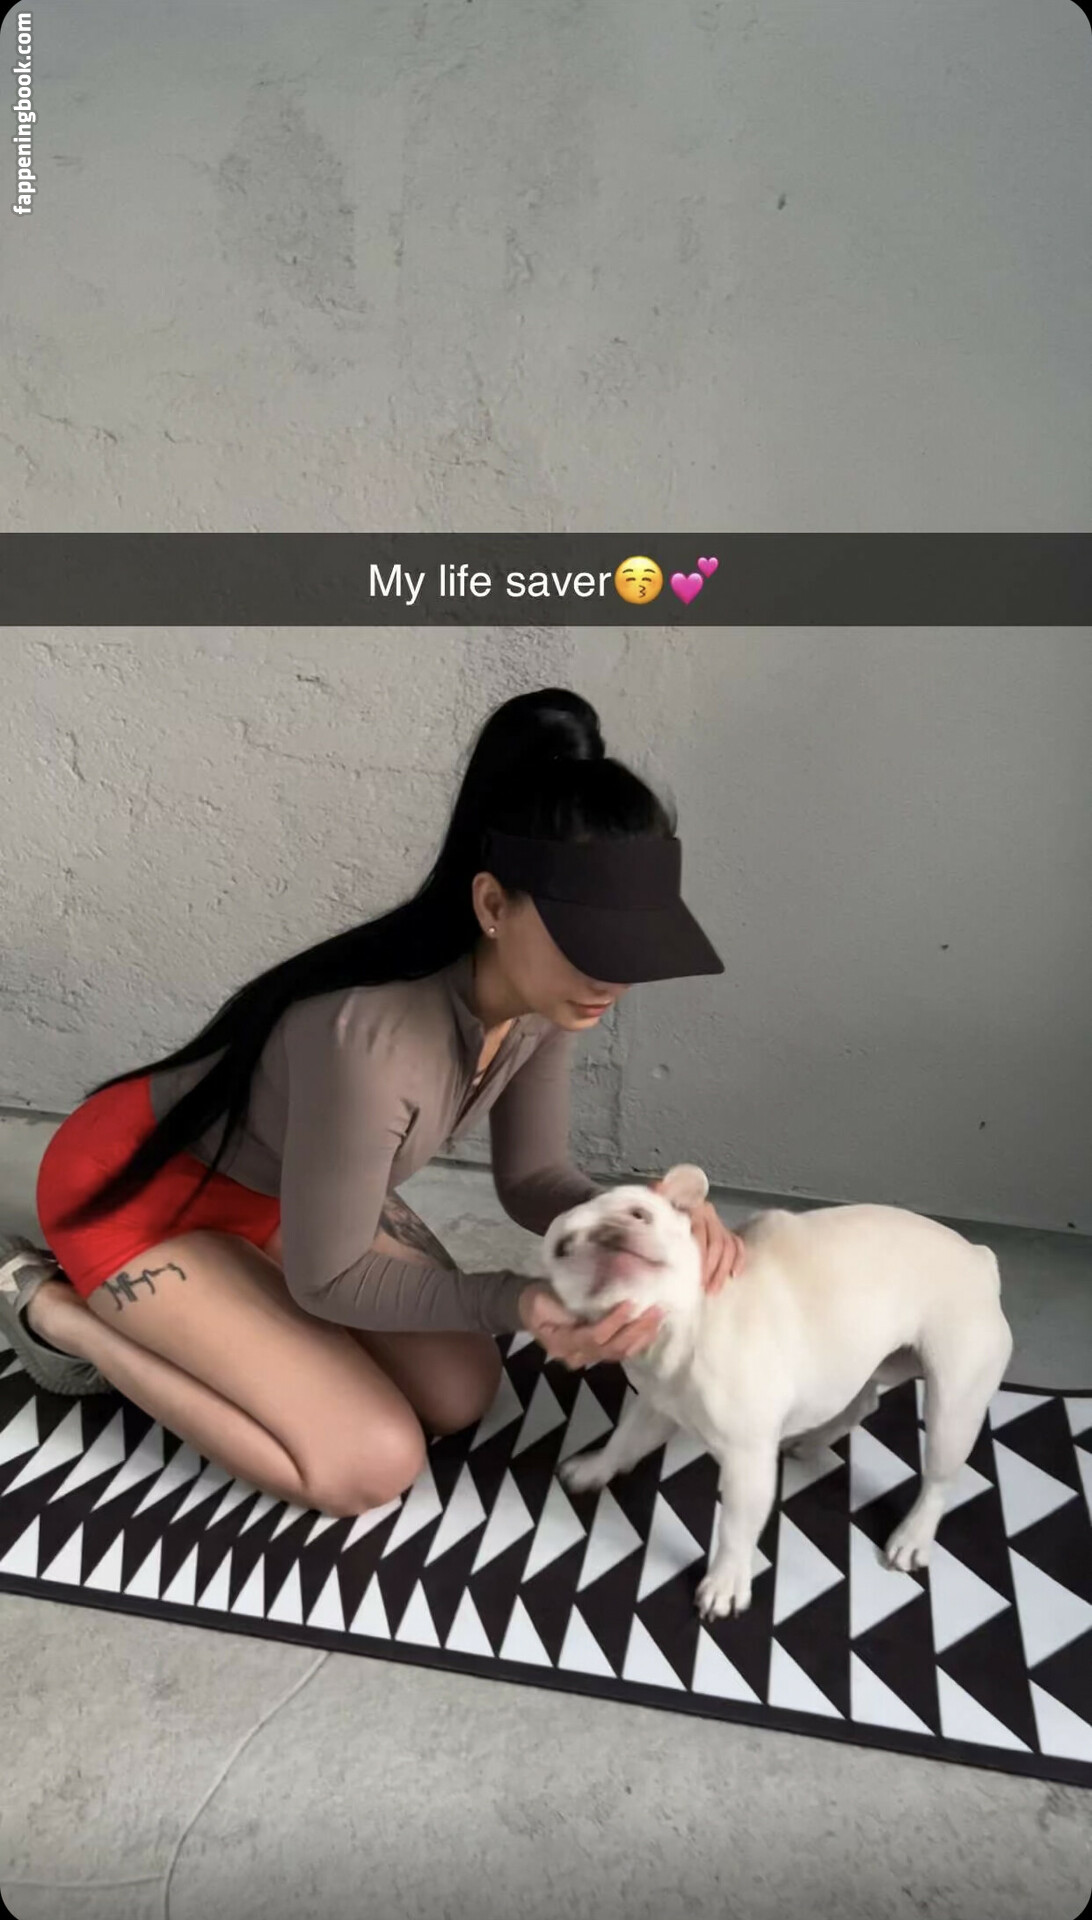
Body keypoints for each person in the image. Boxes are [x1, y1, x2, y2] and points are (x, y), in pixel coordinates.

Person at [0, 689, 743, 1519]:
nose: (613, 977)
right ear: (492, 906)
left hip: (282, 1190)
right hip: (132, 1195)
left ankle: (232, 1297)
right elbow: (330, 1279)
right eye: (590, 943)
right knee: (369, 1464)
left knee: (462, 1394)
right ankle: (58, 1314)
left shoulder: (549, 1001)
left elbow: (532, 1178)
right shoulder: (370, 1040)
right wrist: (519, 1299)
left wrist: (647, 1221)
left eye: (632, 945)